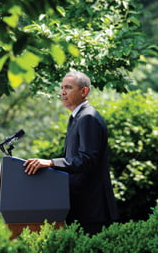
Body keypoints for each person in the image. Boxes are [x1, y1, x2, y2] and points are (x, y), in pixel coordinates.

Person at [23, 71, 118, 235]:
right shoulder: (77, 118)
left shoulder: (88, 118)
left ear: (84, 91)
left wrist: (51, 163)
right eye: (61, 88)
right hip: (80, 207)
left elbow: (87, 160)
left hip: (92, 210)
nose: (62, 92)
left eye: (68, 87)